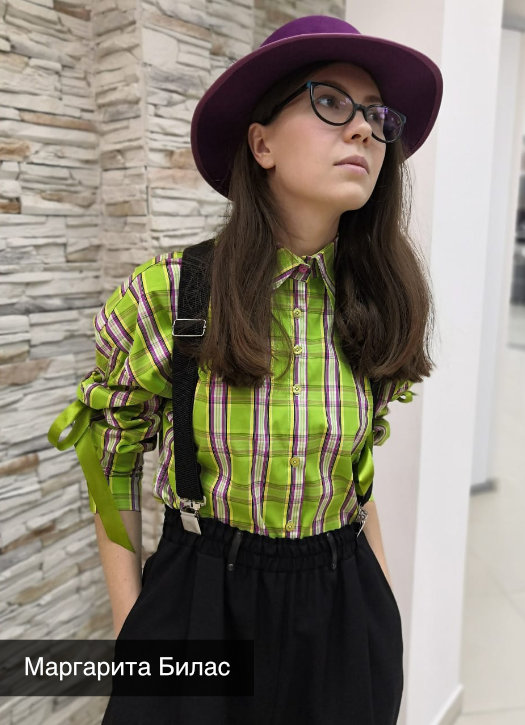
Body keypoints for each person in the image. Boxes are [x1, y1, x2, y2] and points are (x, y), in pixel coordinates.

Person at [48, 14, 442, 725]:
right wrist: (133, 626)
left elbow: (356, 479)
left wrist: (379, 614)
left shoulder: (378, 300)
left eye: (378, 116)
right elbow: (113, 462)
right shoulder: (171, 294)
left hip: (342, 606)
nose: (363, 130)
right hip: (201, 598)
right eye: (331, 103)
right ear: (261, 143)